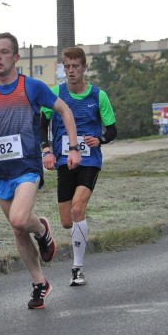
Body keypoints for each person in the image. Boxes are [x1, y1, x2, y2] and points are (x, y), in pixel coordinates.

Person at [0, 32, 82, 309]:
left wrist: (74, 147)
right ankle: (39, 284)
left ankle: (42, 230)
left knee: (20, 221)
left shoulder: (31, 87)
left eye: (3, 52)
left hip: (28, 168)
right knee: (18, 231)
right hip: (2, 171)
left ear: (16, 57)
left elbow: (65, 110)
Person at [40, 47, 117, 287]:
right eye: (67, 66)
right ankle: (48, 231)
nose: (71, 71)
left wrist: (100, 139)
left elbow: (112, 130)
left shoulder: (98, 96)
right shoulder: (55, 93)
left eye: (75, 66)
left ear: (84, 68)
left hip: (89, 160)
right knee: (66, 221)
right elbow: (41, 124)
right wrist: (46, 149)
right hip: (64, 160)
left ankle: (77, 268)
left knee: (77, 208)